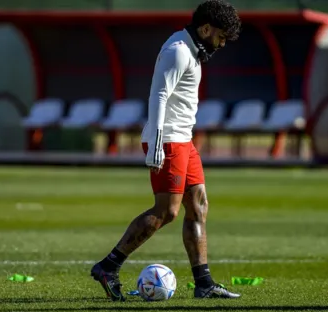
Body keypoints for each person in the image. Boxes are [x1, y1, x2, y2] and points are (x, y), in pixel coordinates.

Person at [91, 0, 242, 301]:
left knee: (198, 205)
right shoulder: (178, 50)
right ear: (205, 28)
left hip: (184, 140)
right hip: (169, 140)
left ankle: (204, 283)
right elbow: (158, 96)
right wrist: (157, 143)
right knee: (167, 212)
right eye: (221, 36)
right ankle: (108, 266)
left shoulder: (194, 50)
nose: (222, 43)